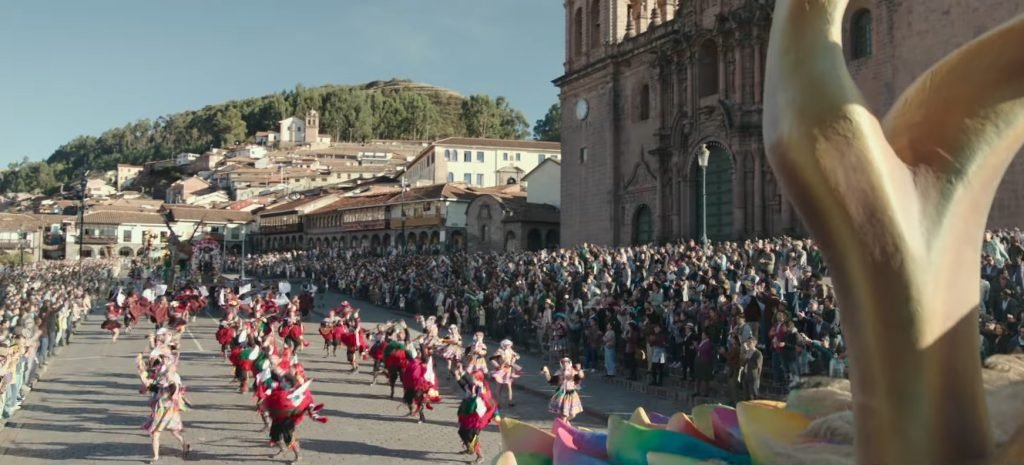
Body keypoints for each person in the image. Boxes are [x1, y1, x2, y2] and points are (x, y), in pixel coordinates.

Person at [137, 352, 190, 464]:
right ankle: (184, 444)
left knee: (156, 433)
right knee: (173, 432)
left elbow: (162, 390)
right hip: (169, 412)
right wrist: (143, 375)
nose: (165, 375)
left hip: (164, 412)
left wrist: (147, 380)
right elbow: (148, 386)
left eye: (167, 374)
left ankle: (156, 457)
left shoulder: (172, 386)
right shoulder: (165, 385)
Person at [457, 371, 498, 465]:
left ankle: (480, 456)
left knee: (472, 437)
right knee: (462, 432)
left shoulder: (481, 388)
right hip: (470, 415)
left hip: (478, 418)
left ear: (479, 379)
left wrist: (462, 374)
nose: (472, 380)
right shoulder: (474, 386)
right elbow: (465, 385)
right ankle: (470, 449)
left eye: (473, 378)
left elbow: (490, 403)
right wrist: (457, 373)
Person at [542, 357, 584, 422]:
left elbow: (580, 377)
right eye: (563, 362)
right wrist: (546, 372)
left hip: (572, 394)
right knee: (565, 415)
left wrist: (579, 370)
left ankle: (562, 424)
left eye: (567, 362)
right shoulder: (559, 372)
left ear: (570, 363)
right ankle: (562, 425)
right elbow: (551, 380)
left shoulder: (573, 371)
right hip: (563, 394)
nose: (565, 364)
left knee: (573, 414)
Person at [488, 339, 522, 408]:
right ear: (503, 345)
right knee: (499, 386)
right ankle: (498, 403)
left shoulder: (510, 350)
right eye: (507, 345)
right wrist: (497, 366)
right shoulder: (499, 351)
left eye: (509, 345)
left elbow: (517, 356)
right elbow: (492, 359)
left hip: (509, 370)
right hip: (501, 370)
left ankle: (510, 401)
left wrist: (515, 357)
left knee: (509, 386)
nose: (509, 346)